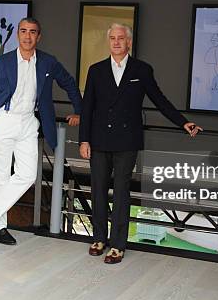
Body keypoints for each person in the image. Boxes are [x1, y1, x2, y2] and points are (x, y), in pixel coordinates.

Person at [79, 23, 202, 264]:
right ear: (109, 42)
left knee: (122, 193)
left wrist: (183, 122)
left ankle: (118, 246)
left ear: (129, 42)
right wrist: (84, 140)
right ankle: (99, 239)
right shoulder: (96, 70)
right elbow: (87, 108)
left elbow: (160, 100)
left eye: (121, 38)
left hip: (127, 141)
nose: (116, 42)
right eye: (112, 38)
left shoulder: (142, 70)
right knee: (99, 191)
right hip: (99, 140)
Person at [0, 17, 82, 245]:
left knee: (27, 174)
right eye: (23, 31)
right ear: (18, 35)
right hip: (3, 120)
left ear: (38, 36)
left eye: (32, 32)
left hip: (28, 123)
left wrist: (79, 110)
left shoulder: (47, 62)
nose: (27, 35)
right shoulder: (1, 62)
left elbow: (69, 83)